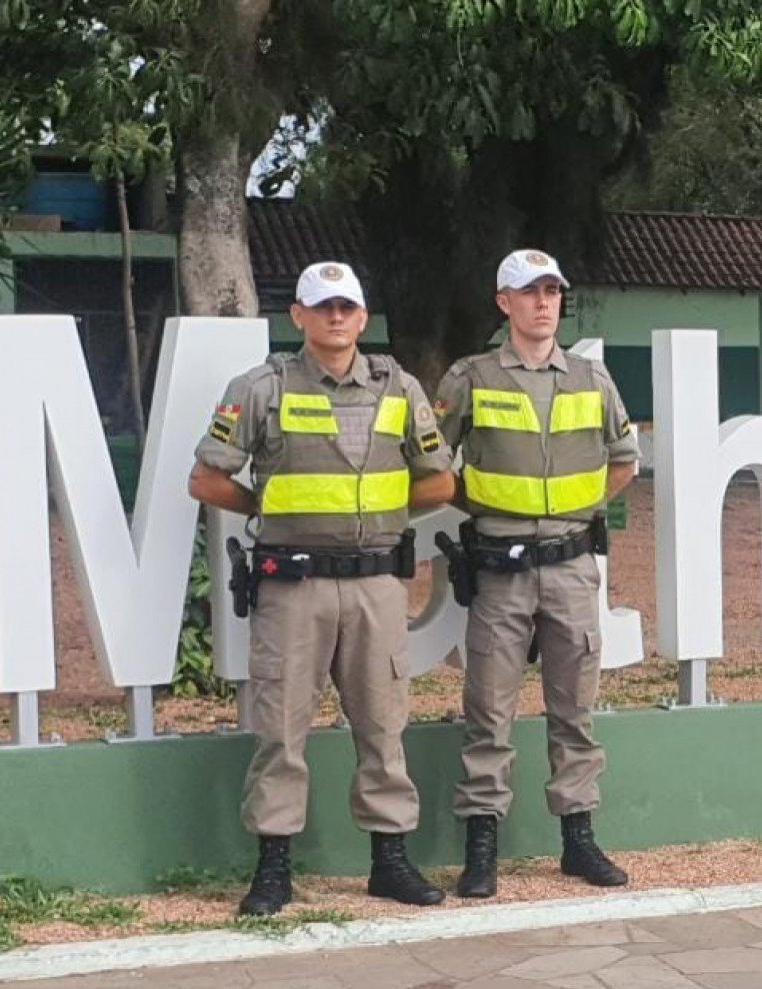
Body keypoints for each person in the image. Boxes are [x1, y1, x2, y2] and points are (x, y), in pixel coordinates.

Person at [188, 261, 456, 916]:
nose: (336, 318)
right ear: (299, 317)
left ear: (362, 318)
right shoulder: (261, 388)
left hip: (375, 584)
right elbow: (207, 479)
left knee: (384, 725)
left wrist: (386, 519)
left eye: (347, 308)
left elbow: (439, 481)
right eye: (322, 307)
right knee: (280, 728)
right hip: (293, 585)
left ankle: (389, 863)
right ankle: (274, 868)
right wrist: (269, 508)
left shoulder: (399, 388)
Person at [432, 249, 640, 898]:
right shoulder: (470, 378)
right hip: (500, 570)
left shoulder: (590, 379)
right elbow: (439, 470)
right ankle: (482, 848)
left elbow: (624, 459)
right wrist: (492, 508)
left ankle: (578, 841)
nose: (543, 302)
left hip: (573, 567)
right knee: (488, 713)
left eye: (552, 290)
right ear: (505, 303)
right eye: (529, 292)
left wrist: (575, 512)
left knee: (574, 712)